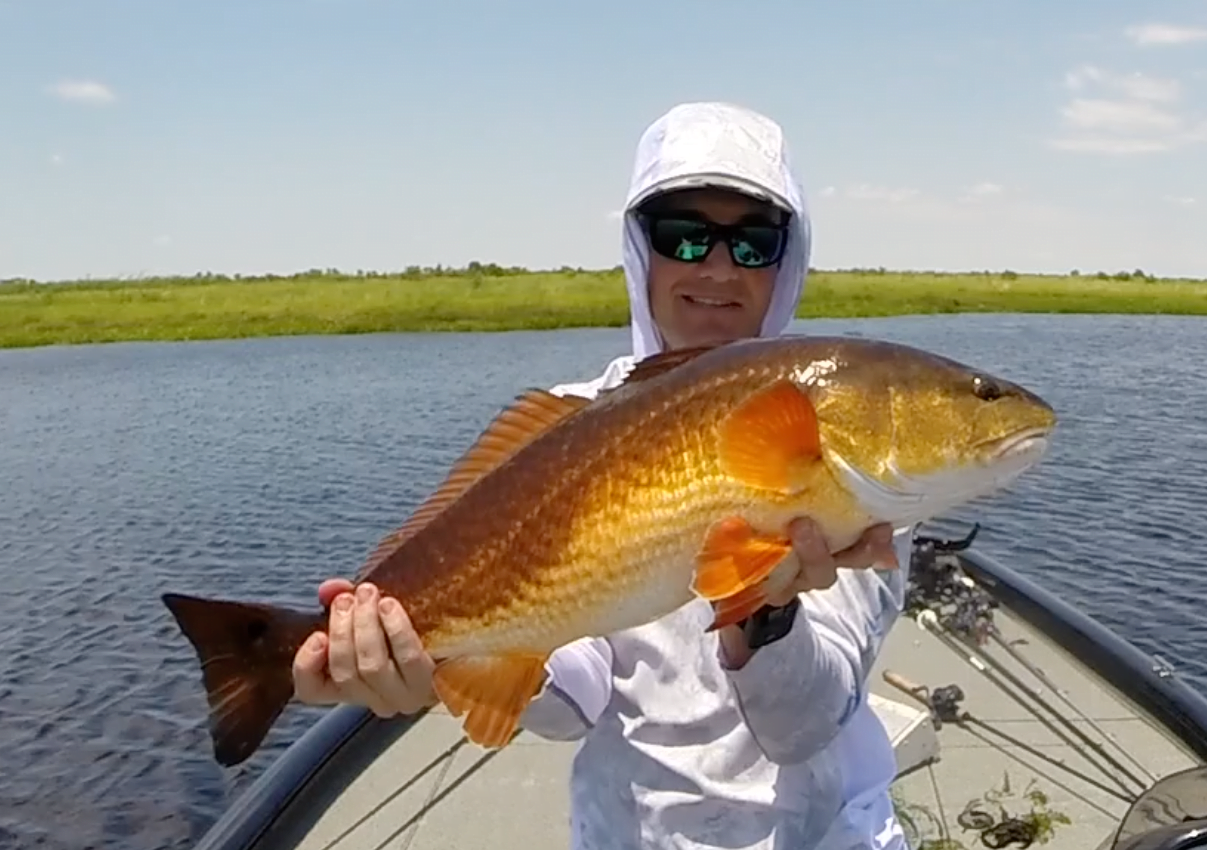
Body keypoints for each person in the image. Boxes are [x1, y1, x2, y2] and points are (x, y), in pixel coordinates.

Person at [293, 101, 914, 850]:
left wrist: (767, 614)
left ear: (788, 259)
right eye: (684, 236)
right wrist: (432, 664)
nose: (717, 268)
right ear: (639, 250)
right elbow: (575, 701)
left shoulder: (845, 435)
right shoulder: (570, 428)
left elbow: (805, 726)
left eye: (754, 242)